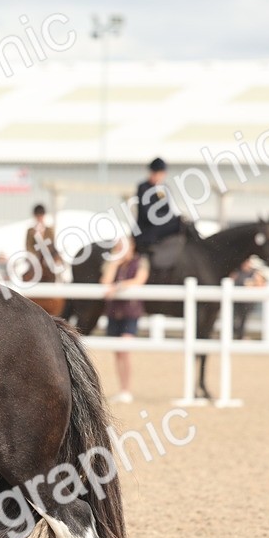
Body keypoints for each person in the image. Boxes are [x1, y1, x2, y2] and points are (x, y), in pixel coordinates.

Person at [102, 237, 149, 403]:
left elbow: (139, 281)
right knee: (117, 353)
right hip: (114, 313)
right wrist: (114, 263)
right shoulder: (114, 264)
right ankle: (122, 389)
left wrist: (119, 286)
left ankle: (126, 389)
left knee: (125, 350)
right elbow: (105, 281)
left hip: (130, 312)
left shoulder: (140, 262)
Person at [134, 158, 181, 257]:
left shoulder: (164, 189)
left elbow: (168, 209)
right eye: (157, 173)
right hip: (147, 228)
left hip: (162, 224)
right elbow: (148, 214)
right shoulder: (143, 188)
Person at [232, 257, 267, 339]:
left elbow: (261, 284)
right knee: (235, 318)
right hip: (236, 299)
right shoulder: (237, 272)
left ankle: (240, 335)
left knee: (243, 318)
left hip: (248, 301)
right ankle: (236, 334)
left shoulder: (254, 273)